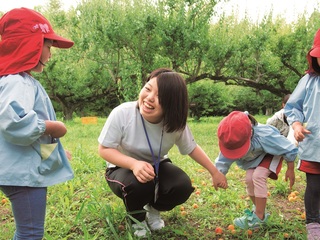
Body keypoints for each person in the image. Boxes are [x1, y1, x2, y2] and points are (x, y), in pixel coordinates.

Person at [98, 68, 228, 237]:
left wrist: (215, 172)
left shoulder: (174, 123)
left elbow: (192, 148)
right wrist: (134, 164)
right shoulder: (123, 113)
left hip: (157, 165)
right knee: (138, 185)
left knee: (181, 186)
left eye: (160, 96)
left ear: (172, 103)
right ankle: (137, 219)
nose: (150, 98)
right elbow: (104, 149)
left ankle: (153, 208)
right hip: (121, 167)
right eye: (148, 88)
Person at [0, 8, 74, 239]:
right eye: (48, 46)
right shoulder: (18, 82)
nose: (50, 54)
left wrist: (59, 152)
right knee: (30, 233)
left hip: (18, 167)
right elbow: (14, 122)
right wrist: (54, 127)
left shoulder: (15, 80)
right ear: (30, 44)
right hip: (22, 174)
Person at [215, 111, 297, 229]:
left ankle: (259, 217)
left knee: (258, 176)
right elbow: (224, 158)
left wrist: (290, 169)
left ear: (250, 134)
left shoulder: (265, 135)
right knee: (249, 179)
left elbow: (288, 148)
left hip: (272, 153)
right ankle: (259, 210)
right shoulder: (232, 138)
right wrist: (219, 173)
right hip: (256, 158)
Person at [284, 28, 320, 240]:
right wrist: (296, 125)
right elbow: (293, 106)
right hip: (315, 144)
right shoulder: (309, 81)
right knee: (314, 187)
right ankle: (313, 225)